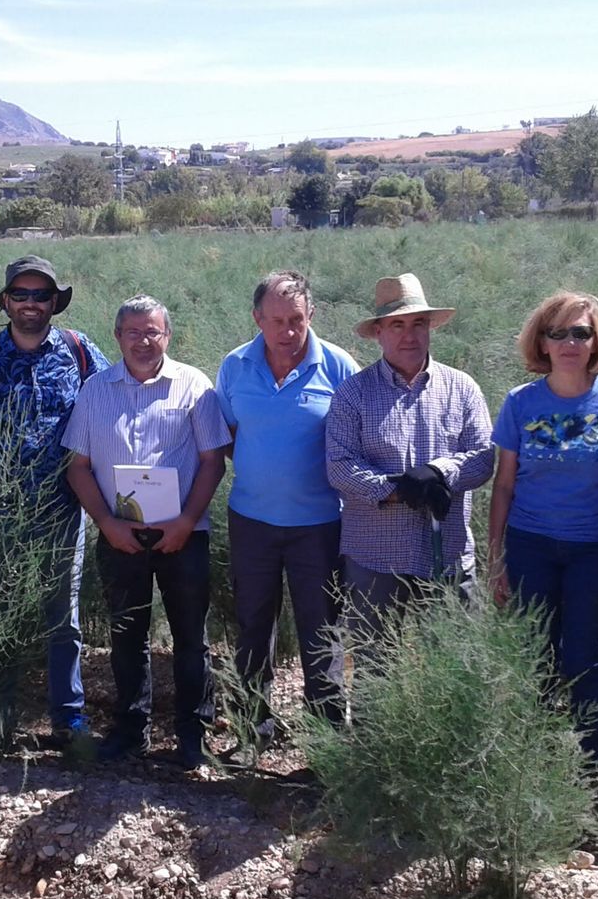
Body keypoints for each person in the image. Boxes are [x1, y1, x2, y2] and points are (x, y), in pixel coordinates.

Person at [63, 295, 230, 770]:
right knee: (127, 636)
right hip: (120, 538)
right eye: (132, 332)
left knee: (190, 638)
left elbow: (212, 461)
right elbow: (78, 467)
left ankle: (192, 735)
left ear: (167, 336)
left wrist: (185, 521)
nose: (142, 340)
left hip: (184, 535)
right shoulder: (95, 392)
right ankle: (130, 731)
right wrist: (107, 524)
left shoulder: (194, 386)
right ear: (117, 337)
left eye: (152, 331)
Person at [0, 255, 110, 745]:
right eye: (21, 295)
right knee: (1, 616)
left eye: (41, 295)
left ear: (54, 302)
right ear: (7, 302)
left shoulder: (81, 352)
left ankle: (68, 720)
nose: (31, 304)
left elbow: (110, 409)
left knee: (63, 620)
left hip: (63, 510)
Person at [488, 291, 598, 762]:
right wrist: (496, 561)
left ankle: (586, 770)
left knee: (582, 657)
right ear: (543, 342)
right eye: (559, 333)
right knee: (533, 655)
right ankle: (529, 767)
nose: (571, 342)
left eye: (581, 333)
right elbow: (504, 486)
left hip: (594, 550)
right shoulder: (521, 402)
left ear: (597, 342)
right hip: (531, 543)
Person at [216, 271, 360, 753]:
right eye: (275, 320)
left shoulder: (339, 367)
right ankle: (252, 731)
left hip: (319, 526)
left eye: (296, 319)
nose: (287, 330)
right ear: (257, 318)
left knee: (321, 630)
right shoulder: (235, 366)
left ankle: (325, 741)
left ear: (311, 316)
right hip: (252, 521)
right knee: (254, 624)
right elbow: (230, 435)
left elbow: (354, 442)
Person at [325, 273, 493, 646]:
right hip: (375, 557)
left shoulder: (462, 388)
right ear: (378, 333)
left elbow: (483, 456)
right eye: (397, 324)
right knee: (375, 666)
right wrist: (399, 490)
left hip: (447, 555)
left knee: (452, 669)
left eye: (419, 323)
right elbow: (340, 466)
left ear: (430, 329)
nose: (409, 335)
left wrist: (438, 472)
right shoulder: (353, 394)